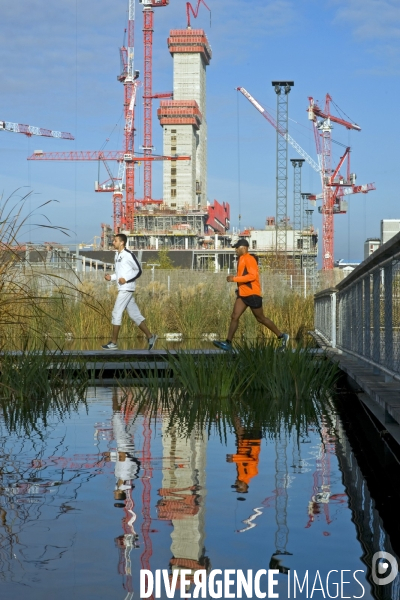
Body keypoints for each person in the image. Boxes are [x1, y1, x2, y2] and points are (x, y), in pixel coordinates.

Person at [213, 238, 289, 351]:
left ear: (244, 248)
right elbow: (244, 276)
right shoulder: (241, 259)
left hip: (252, 294)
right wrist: (238, 287)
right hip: (243, 295)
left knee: (261, 318)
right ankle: (228, 342)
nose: (235, 250)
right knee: (234, 316)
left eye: (237, 248)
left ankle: (281, 336)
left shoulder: (249, 259)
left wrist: (234, 278)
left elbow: (252, 276)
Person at [102, 233, 157, 350]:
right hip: (123, 287)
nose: (113, 242)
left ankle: (113, 343)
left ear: (122, 242)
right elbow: (119, 274)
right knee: (134, 314)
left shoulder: (128, 255)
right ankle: (150, 336)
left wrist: (126, 280)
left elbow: (139, 271)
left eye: (115, 241)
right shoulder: (117, 255)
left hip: (127, 288)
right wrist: (111, 278)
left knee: (116, 313)